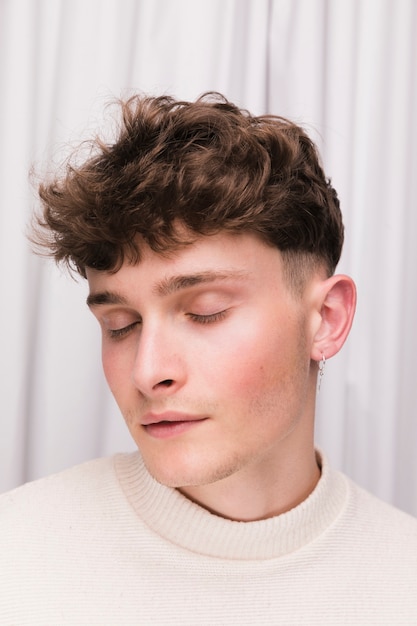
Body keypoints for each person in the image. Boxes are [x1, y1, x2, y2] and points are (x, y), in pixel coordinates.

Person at [1, 92, 416, 625]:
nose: (148, 372)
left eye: (205, 312)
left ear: (327, 319)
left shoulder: (402, 583)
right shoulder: (15, 560)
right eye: (120, 325)